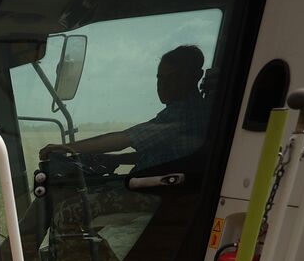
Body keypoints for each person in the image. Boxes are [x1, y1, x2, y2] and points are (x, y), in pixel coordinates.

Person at [39, 44, 208, 172]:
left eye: (174, 78)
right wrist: (116, 159)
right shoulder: (182, 111)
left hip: (157, 194)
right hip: (152, 186)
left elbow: (124, 139)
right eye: (160, 78)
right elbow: (161, 155)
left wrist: (65, 148)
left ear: (196, 76)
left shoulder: (185, 113)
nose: (163, 86)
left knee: (66, 209)